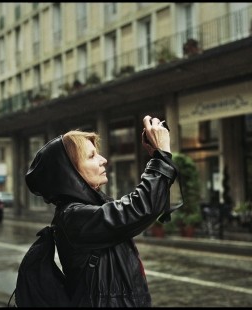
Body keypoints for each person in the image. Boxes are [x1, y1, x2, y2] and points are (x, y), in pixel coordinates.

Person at [25, 115, 180, 307]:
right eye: (91, 156)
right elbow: (140, 207)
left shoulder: (90, 208)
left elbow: (136, 207)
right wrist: (162, 156)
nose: (103, 160)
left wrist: (158, 155)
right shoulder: (73, 217)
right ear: (69, 174)